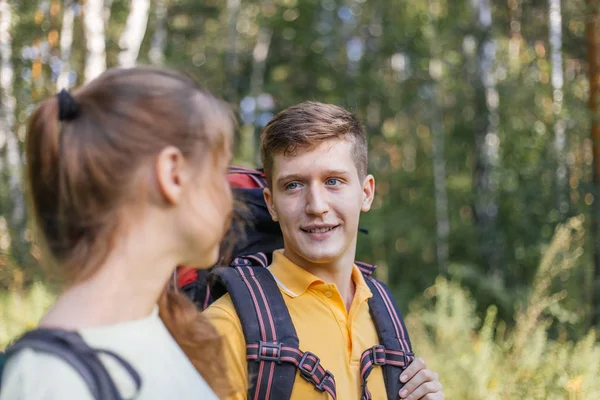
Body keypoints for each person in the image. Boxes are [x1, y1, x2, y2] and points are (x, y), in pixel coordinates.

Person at [0, 67, 235, 399]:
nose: (231, 195)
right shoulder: (51, 379)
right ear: (173, 174)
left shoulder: (158, 329)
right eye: (220, 171)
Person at [204, 102, 444, 399]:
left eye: (333, 181)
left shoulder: (384, 314)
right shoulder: (226, 327)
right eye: (293, 185)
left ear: (366, 193)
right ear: (271, 203)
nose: (316, 206)